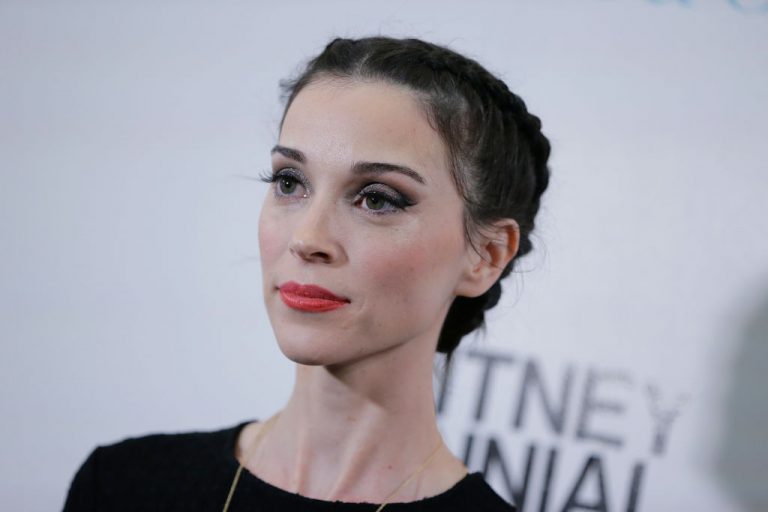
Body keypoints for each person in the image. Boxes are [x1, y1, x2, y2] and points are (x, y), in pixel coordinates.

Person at [62, 36, 551, 511]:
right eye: (289, 182)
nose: (307, 237)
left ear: (486, 255)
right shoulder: (121, 486)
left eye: (377, 199)